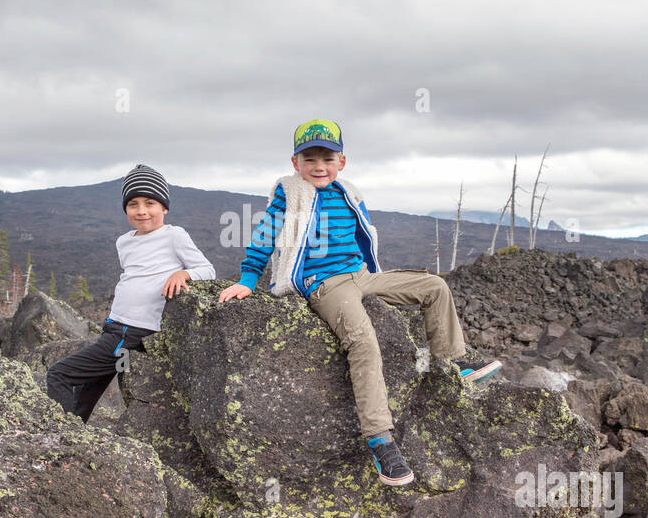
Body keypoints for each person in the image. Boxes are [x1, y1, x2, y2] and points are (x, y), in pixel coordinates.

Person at [218, 119, 501, 486]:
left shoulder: (349, 191)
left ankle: (453, 363)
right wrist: (247, 279)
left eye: (327, 157)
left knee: (433, 286)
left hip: (362, 275)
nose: (319, 166)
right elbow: (265, 235)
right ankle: (381, 440)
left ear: (342, 161)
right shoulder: (290, 192)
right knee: (363, 341)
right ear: (295, 163)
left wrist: (375, 275)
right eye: (309, 158)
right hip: (324, 283)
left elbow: (365, 234)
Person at [46, 163, 215, 422]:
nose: (142, 211)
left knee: (59, 374)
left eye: (150, 203)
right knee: (86, 394)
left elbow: (207, 270)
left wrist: (183, 274)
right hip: (114, 327)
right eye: (133, 204)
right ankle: (72, 437)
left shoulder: (174, 236)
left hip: (133, 333)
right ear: (125, 208)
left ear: (164, 208)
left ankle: (57, 434)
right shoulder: (124, 241)